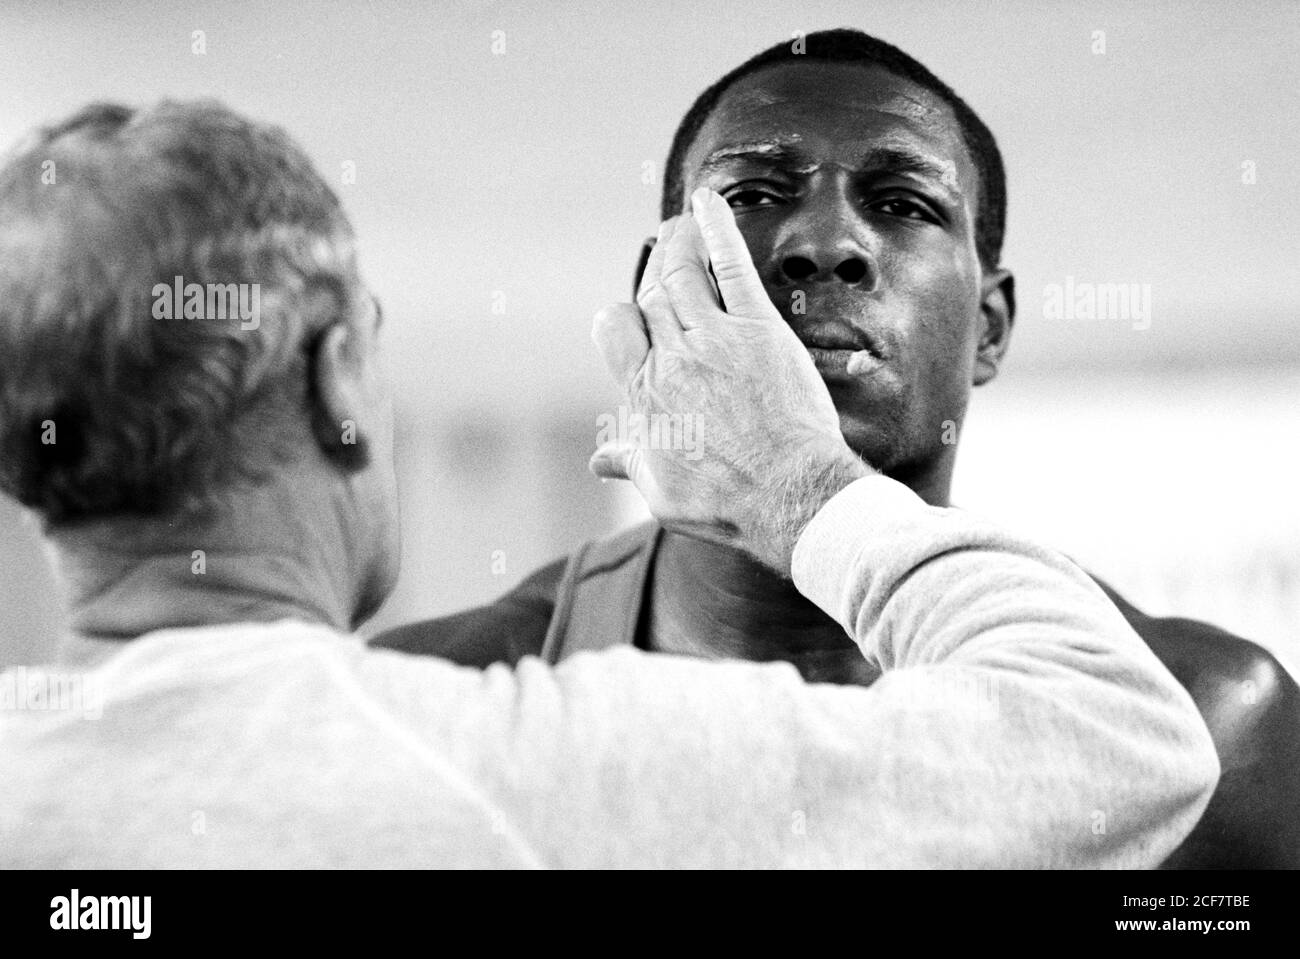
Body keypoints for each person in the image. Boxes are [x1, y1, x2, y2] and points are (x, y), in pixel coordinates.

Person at [0, 99, 1215, 869]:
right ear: (336, 379)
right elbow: (1119, 743)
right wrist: (799, 487)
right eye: (752, 198)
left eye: (899, 204)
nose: (825, 244)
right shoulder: (518, 753)